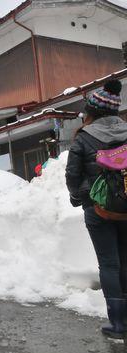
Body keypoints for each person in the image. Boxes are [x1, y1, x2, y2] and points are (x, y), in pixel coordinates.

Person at [65, 79, 127, 339]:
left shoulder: (84, 137)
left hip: (98, 209)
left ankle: (118, 324)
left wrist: (81, 196)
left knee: (109, 264)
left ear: (93, 111)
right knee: (125, 260)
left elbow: (72, 176)